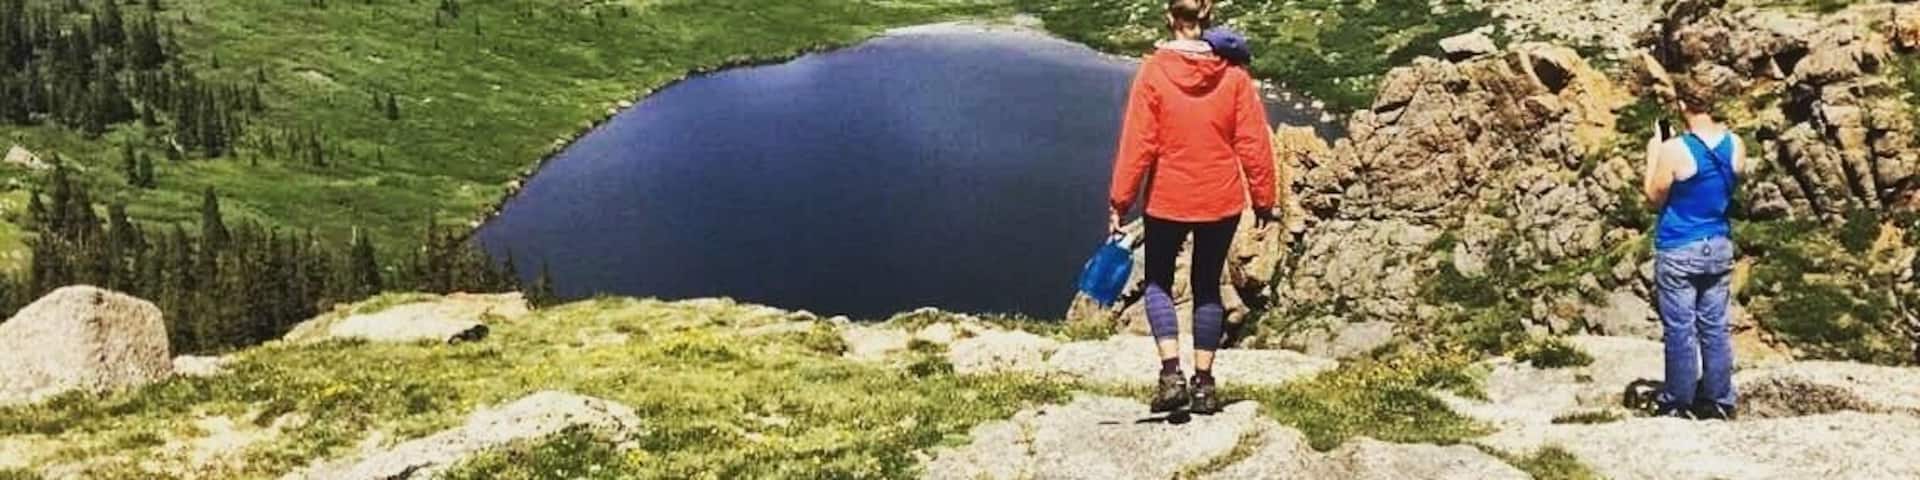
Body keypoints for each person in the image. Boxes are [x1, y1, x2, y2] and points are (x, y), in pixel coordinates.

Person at [1107, 0, 1277, 415]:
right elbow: (1254, 145)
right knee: (1206, 287)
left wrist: (1120, 201)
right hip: (1220, 199)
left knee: (1158, 283)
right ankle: (1203, 384)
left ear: (1170, 18)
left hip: (1167, 197)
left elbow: (1138, 144)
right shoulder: (1234, 76)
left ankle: (1170, 375)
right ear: (1208, 17)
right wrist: (1264, 199)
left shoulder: (1153, 72)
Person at [1642, 78, 1748, 420]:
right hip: (1718, 243)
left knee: (1680, 328)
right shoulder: (1736, 144)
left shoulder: (1675, 149)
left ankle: (1678, 401)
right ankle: (1719, 400)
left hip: (1679, 245)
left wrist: (1653, 151)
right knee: (1714, 325)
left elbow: (1653, 198)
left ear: (1683, 106)